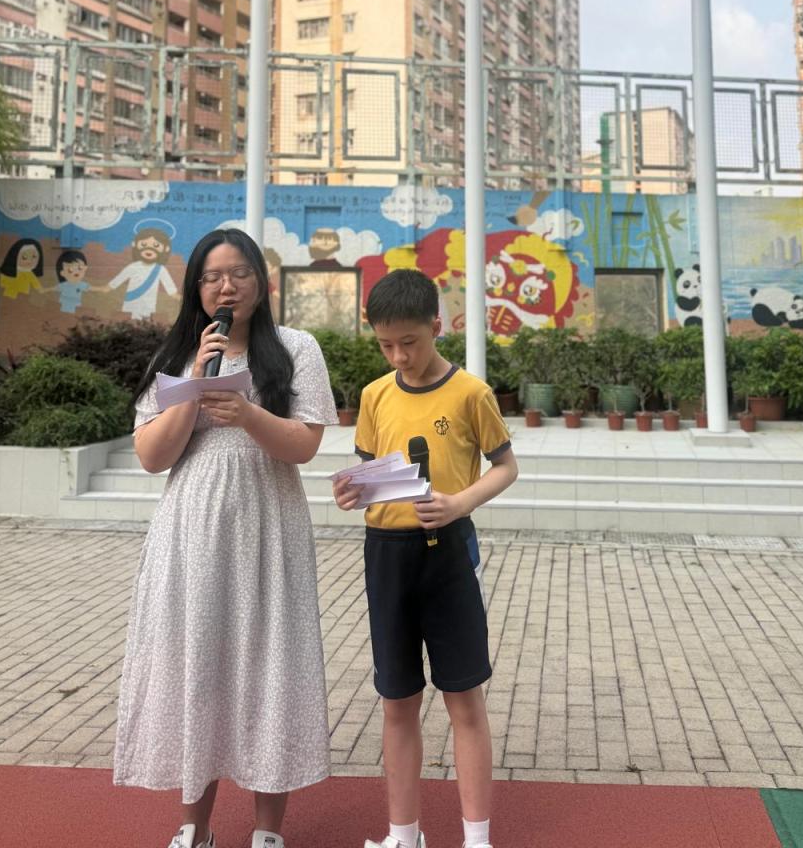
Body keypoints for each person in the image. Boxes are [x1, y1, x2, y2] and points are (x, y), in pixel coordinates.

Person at [113, 227, 338, 848]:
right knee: (196, 665)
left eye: (238, 273)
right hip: (190, 534)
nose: (226, 287)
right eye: (212, 277)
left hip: (268, 526)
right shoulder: (174, 357)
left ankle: (268, 831)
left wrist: (249, 414)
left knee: (272, 666)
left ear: (261, 283)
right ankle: (194, 826)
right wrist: (192, 383)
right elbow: (152, 457)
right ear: (196, 289)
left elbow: (306, 445)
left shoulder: (295, 348)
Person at [333, 269, 518, 848]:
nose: (398, 356)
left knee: (464, 697)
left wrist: (459, 502)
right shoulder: (374, 395)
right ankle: (402, 834)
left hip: (449, 555)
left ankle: (477, 839)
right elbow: (370, 473)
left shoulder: (470, 394)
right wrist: (352, 492)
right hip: (386, 556)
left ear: (437, 326)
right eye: (386, 345)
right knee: (396, 700)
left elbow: (506, 467)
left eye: (409, 343)